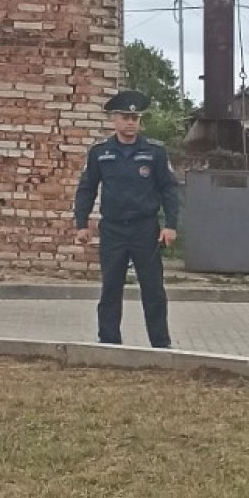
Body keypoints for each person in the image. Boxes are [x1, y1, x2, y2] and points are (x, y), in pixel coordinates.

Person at [72, 89, 180, 349]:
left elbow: (169, 189)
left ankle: (160, 343)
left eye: (135, 117)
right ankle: (109, 342)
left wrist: (171, 225)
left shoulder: (155, 152)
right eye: (125, 117)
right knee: (111, 288)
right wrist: (81, 224)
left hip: (146, 229)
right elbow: (86, 188)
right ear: (114, 120)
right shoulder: (100, 152)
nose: (130, 122)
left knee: (153, 289)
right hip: (113, 230)